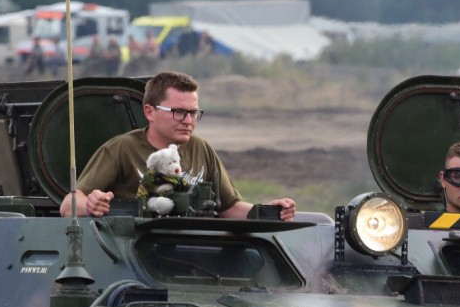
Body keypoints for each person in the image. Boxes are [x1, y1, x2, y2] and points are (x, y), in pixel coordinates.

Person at [60, 71, 296, 220]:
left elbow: (229, 208)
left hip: (193, 251)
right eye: (179, 112)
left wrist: (268, 212)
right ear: (150, 112)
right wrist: (91, 205)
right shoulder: (122, 149)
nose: (188, 121)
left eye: (193, 113)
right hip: (135, 254)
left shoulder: (201, 149)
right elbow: (68, 207)